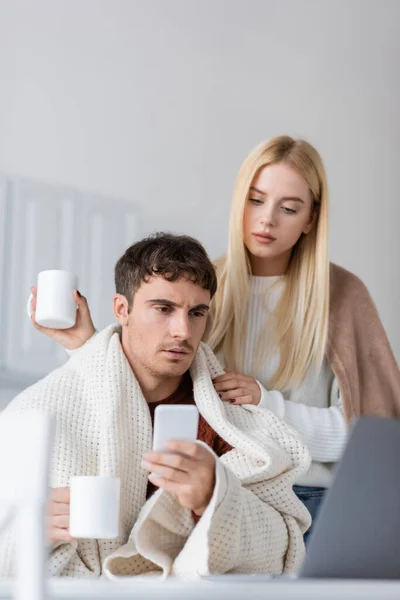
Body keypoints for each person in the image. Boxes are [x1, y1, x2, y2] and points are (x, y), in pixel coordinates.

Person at [40, 137, 400, 545]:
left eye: (289, 208)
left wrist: (266, 404)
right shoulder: (202, 287)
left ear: (311, 219)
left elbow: (369, 433)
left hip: (315, 505)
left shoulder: (342, 297)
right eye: (256, 200)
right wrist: (85, 345)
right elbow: (144, 389)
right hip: (221, 503)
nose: (267, 221)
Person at [0, 233, 311, 579]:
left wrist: (211, 500)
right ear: (122, 309)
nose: (183, 331)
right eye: (164, 309)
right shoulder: (36, 412)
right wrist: (29, 534)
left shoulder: (230, 420)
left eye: (196, 313)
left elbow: (284, 548)